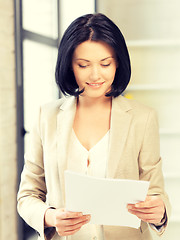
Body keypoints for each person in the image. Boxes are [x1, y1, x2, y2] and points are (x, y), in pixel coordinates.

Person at [17, 13, 170, 240]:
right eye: (83, 65)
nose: (95, 75)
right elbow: (28, 196)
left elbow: (156, 192)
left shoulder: (143, 118)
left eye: (105, 63)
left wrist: (159, 212)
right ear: (70, 64)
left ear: (118, 62)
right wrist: (50, 216)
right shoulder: (46, 116)